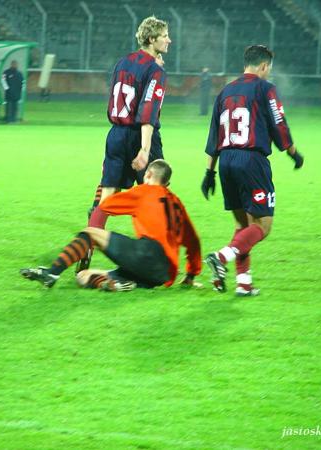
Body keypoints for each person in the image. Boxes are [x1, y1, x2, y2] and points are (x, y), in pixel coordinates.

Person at [201, 45, 304, 296]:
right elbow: (279, 123)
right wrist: (293, 153)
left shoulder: (225, 91)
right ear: (264, 66)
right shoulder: (265, 88)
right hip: (251, 161)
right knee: (262, 225)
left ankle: (243, 283)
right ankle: (221, 257)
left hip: (226, 161)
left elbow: (214, 136)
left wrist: (209, 174)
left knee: (243, 224)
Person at [78, 15, 171, 272]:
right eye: (164, 36)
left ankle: (85, 249)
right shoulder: (156, 70)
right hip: (139, 135)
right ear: (152, 39)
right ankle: (158, 260)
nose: (169, 40)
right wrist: (144, 149)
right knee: (157, 197)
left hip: (116, 134)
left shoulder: (122, 62)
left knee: (107, 198)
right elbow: (148, 111)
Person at [20, 160, 201, 291]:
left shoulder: (144, 191)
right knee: (82, 277)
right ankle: (114, 284)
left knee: (90, 233)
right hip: (162, 274)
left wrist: (105, 181)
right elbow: (193, 241)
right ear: (167, 184)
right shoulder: (178, 204)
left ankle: (52, 273)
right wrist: (190, 276)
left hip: (148, 254)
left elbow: (105, 205)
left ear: (148, 175)